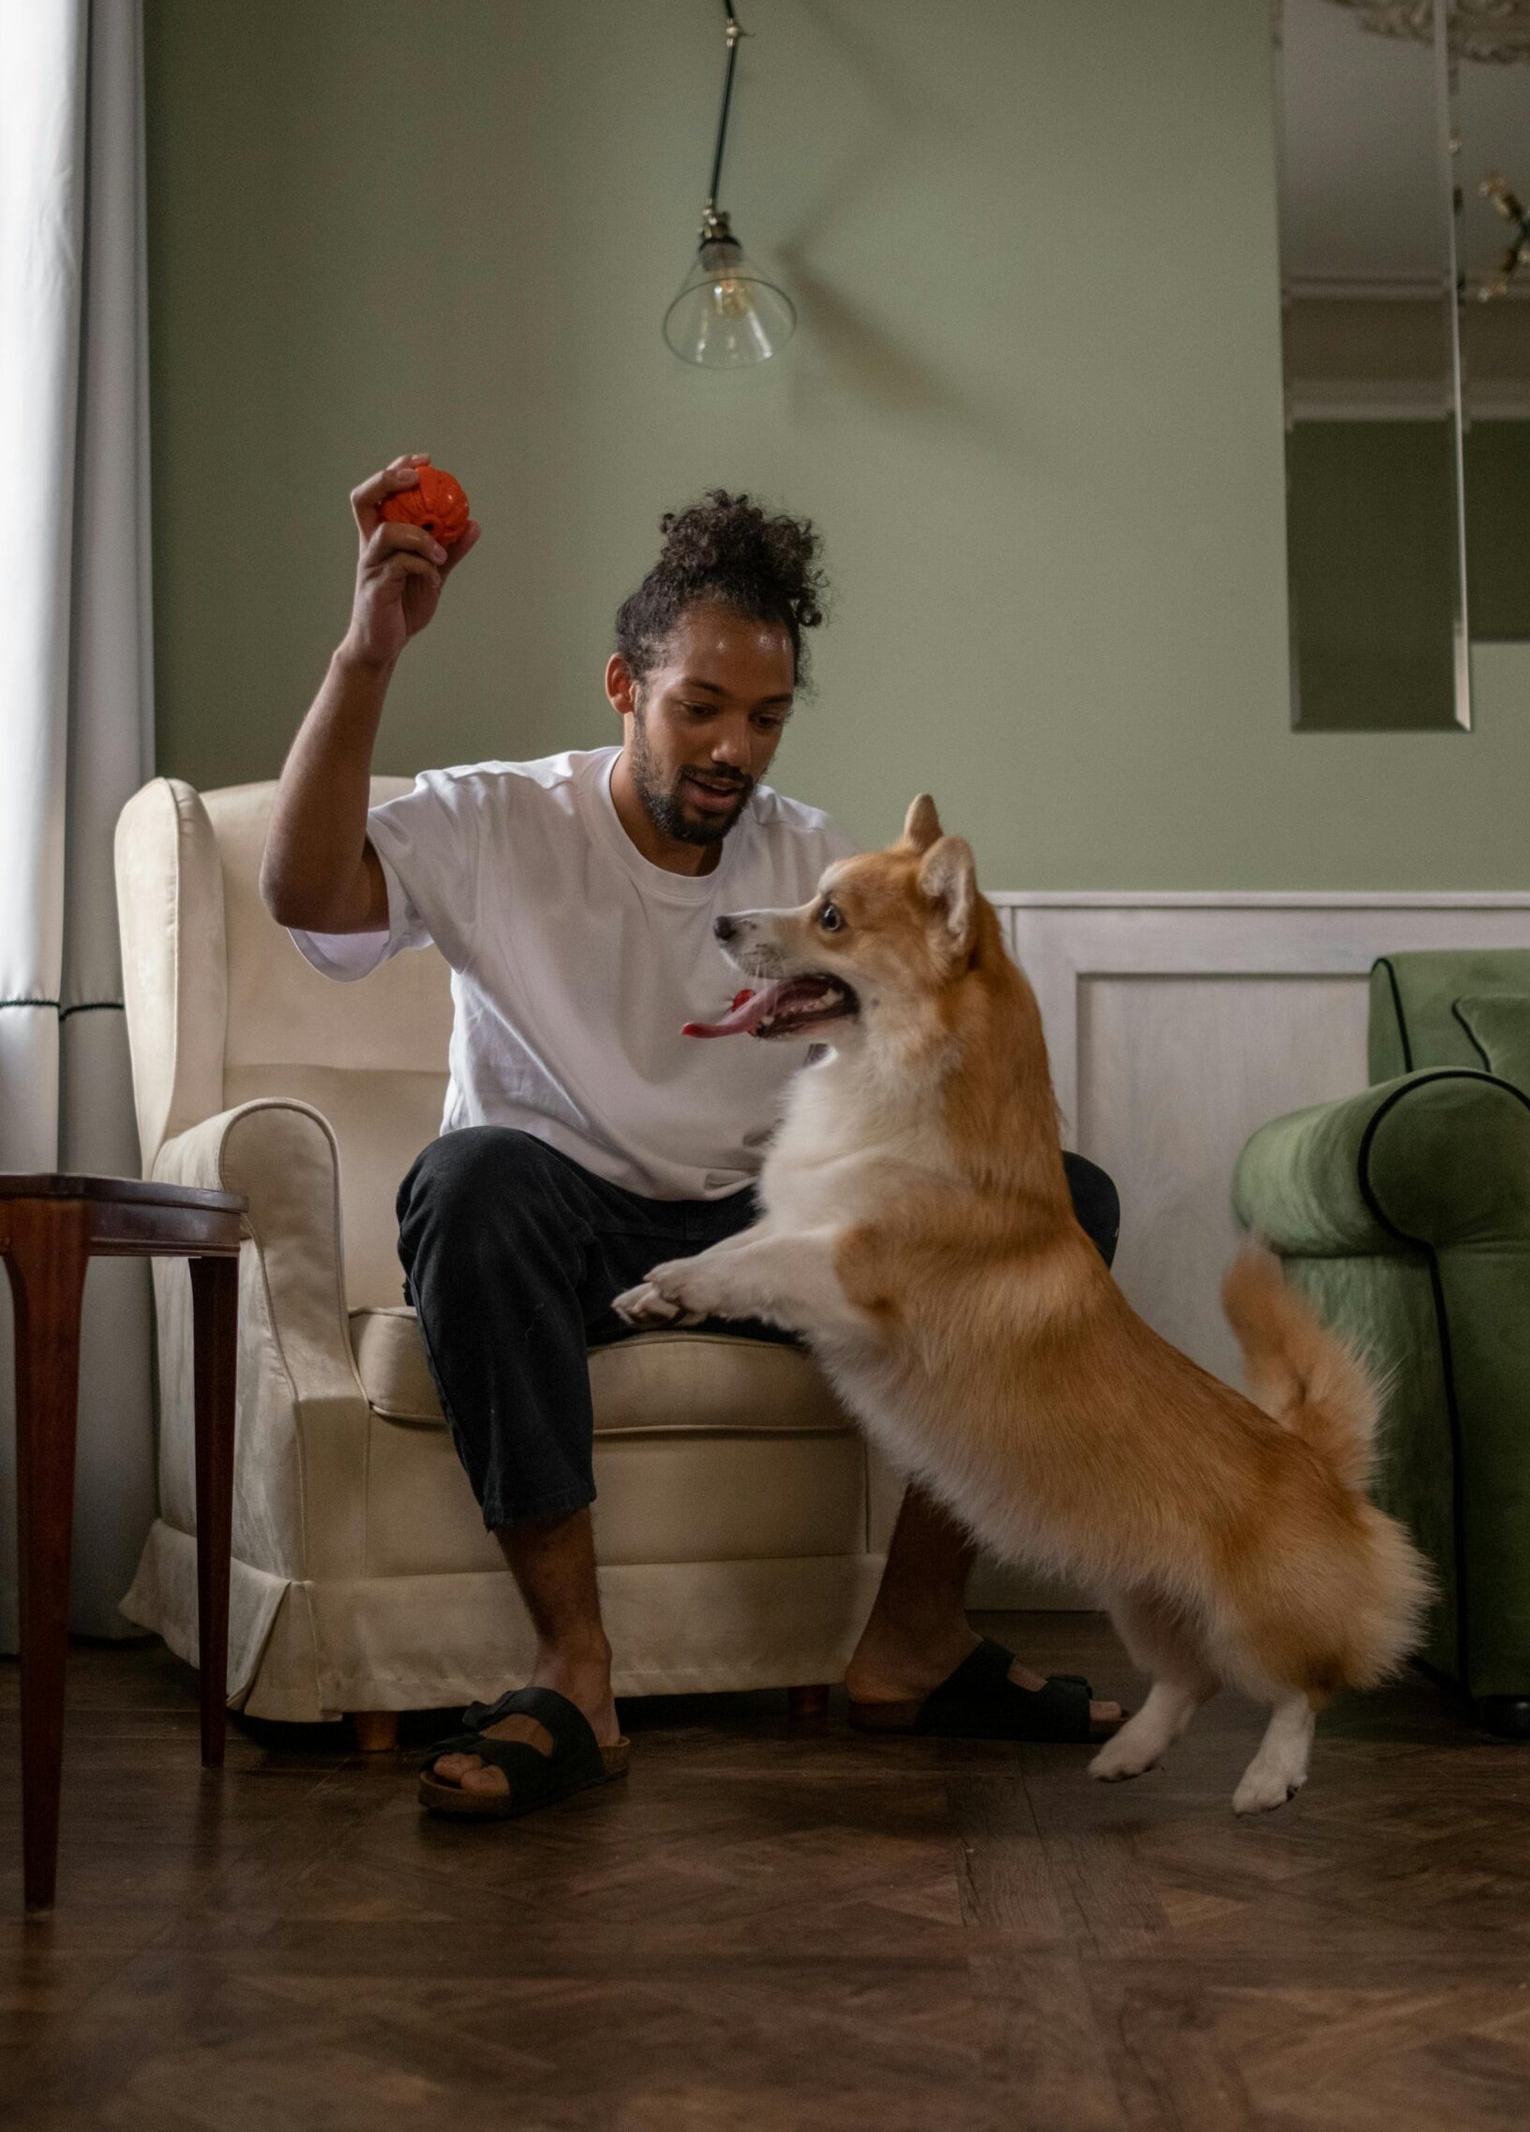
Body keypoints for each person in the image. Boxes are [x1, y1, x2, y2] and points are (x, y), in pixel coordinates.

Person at [261, 454, 1124, 1821]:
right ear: (626, 690)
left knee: (1060, 1202)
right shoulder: (498, 819)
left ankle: (915, 1636)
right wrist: (370, 652)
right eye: (701, 709)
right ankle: (574, 1674)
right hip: (561, 1216)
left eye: (767, 718)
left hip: (761, 1221)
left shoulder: (813, 860)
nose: (734, 750)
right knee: (466, 1183)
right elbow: (304, 887)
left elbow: (908, 1078)